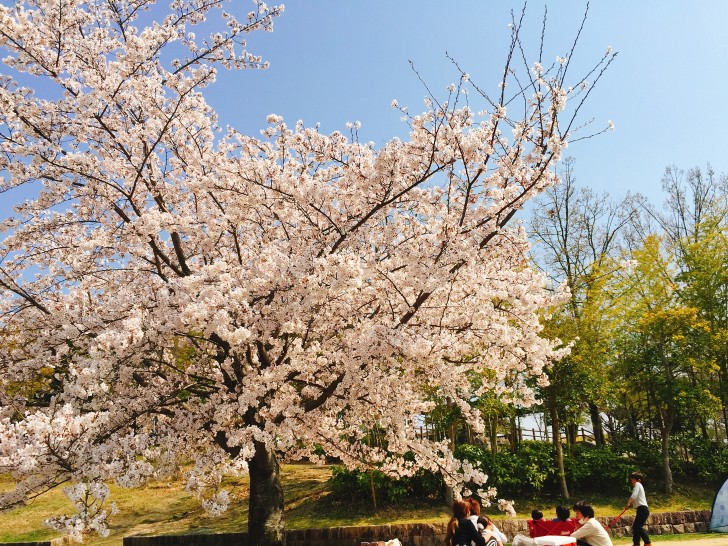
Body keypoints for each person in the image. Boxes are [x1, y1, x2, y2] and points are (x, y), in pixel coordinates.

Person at [625, 472, 652, 546]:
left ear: (638, 480)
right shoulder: (638, 486)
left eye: (633, 479)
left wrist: (628, 503)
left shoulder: (638, 484)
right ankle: (636, 543)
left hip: (642, 509)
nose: (632, 481)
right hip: (641, 509)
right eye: (632, 479)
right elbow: (636, 497)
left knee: (637, 526)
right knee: (636, 527)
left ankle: (647, 542)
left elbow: (634, 495)